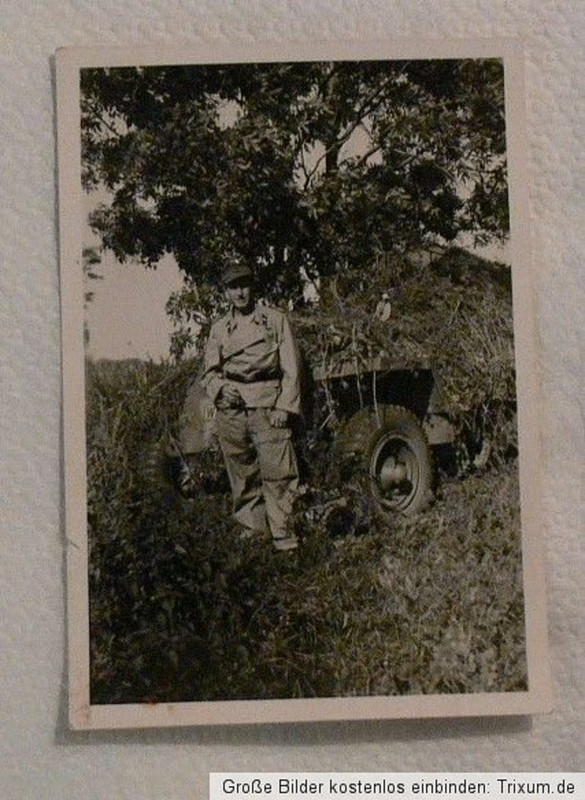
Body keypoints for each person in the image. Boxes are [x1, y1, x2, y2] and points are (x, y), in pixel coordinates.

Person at [201, 262, 302, 551]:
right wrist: (221, 389)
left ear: (252, 287)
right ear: (226, 292)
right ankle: (254, 535)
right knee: (242, 475)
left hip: (267, 404)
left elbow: (291, 367)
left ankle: (285, 538)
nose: (240, 293)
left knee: (278, 472)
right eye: (233, 287)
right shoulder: (220, 328)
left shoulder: (273, 320)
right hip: (232, 411)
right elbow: (209, 372)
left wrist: (285, 405)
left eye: (244, 285)